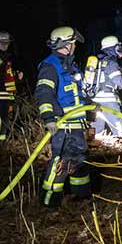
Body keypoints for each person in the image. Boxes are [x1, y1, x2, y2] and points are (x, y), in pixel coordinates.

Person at [35, 26, 91, 207]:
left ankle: (80, 198)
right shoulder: (50, 66)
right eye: (73, 43)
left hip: (76, 125)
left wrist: (90, 108)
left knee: (79, 161)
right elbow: (44, 94)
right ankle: (50, 202)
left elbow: (77, 94)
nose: (75, 46)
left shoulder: (70, 65)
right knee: (60, 163)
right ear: (66, 45)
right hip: (62, 126)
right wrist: (49, 118)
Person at [91, 36, 122, 145]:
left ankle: (96, 148)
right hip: (108, 100)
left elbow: (109, 81)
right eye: (118, 46)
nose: (119, 48)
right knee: (118, 125)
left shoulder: (98, 62)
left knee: (97, 128)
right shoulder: (111, 63)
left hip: (94, 100)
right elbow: (120, 82)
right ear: (112, 48)